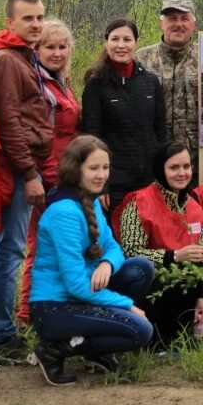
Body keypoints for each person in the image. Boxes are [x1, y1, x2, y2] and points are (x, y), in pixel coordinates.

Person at [30, 136, 154, 386]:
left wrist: (107, 264)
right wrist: (127, 305)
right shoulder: (64, 212)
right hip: (54, 308)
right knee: (141, 330)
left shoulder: (91, 200)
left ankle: (95, 350)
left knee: (141, 268)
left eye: (105, 168)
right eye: (94, 168)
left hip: (83, 294)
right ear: (76, 169)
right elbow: (75, 285)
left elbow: (113, 248)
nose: (101, 175)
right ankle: (55, 349)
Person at [0, 0, 53, 364]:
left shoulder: (25, 56)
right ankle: (2, 334)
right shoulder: (7, 59)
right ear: (10, 23)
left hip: (19, 167)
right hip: (19, 168)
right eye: (28, 19)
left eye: (39, 18)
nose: (36, 24)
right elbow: (9, 121)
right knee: (9, 250)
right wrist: (29, 172)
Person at [114, 142, 203, 341]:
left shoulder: (194, 207)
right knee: (175, 282)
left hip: (187, 282)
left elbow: (201, 256)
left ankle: (189, 331)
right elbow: (130, 253)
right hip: (150, 283)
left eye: (186, 167)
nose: (182, 173)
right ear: (160, 169)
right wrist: (174, 256)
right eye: (174, 167)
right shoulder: (139, 201)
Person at [18, 19, 81, 325]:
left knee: (60, 246)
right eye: (49, 46)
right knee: (38, 246)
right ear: (36, 48)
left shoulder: (60, 81)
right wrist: (36, 175)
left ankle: (52, 308)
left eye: (62, 46)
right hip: (44, 177)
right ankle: (26, 313)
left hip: (64, 175)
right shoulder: (36, 82)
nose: (57, 53)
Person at [82, 18, 167, 214]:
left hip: (148, 180)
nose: (121, 45)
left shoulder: (150, 82)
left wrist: (162, 177)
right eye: (115, 39)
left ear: (136, 43)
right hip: (114, 185)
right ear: (106, 43)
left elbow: (160, 132)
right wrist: (101, 185)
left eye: (127, 39)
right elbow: (91, 138)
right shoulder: (95, 85)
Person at [136, 0, 203, 185]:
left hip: (197, 165)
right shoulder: (141, 59)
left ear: (194, 24)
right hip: (152, 162)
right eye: (172, 18)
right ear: (161, 23)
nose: (178, 24)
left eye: (184, 19)